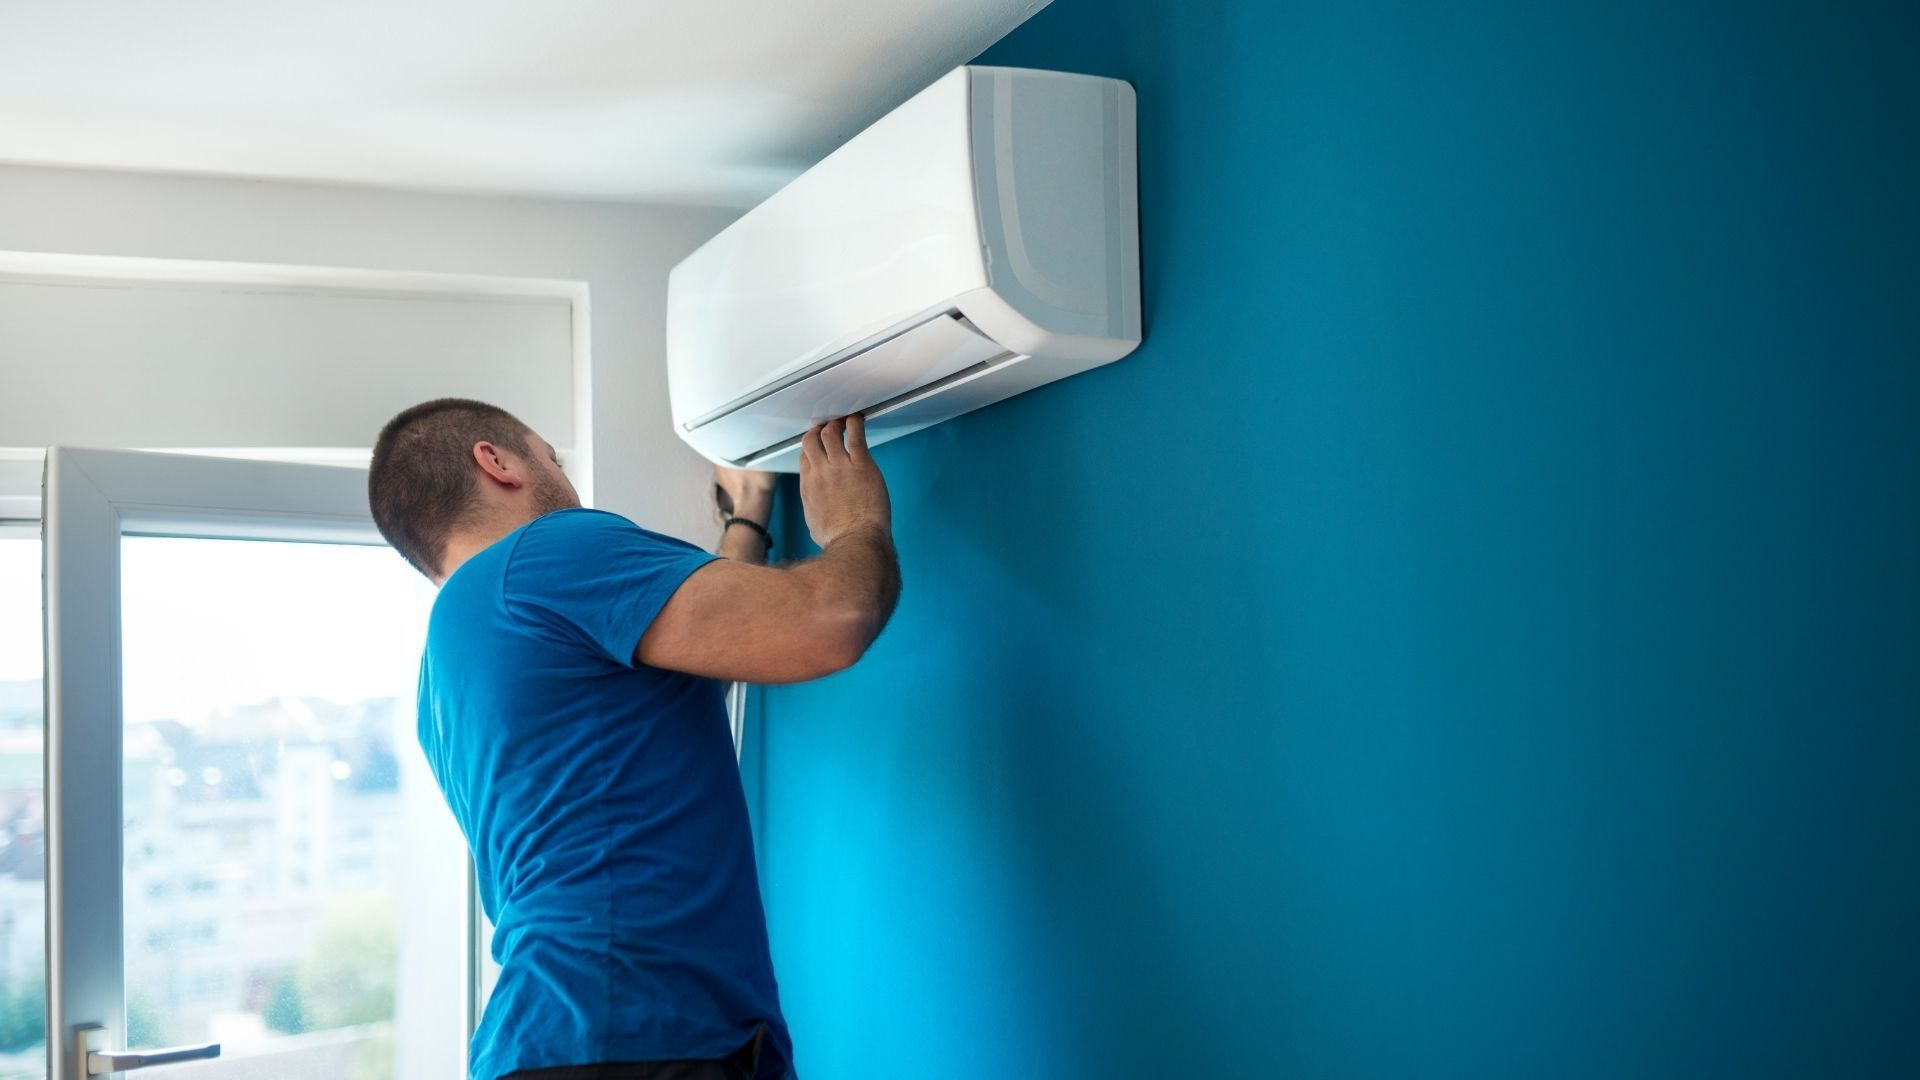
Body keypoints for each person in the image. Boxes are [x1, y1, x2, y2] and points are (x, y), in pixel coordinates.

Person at [366, 397, 900, 1080]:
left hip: (556, 1041)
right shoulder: (545, 553)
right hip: (637, 1032)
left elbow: (698, 660)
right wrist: (856, 520)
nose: (560, 473)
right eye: (548, 455)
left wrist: (746, 520)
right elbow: (836, 617)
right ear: (495, 462)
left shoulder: (446, 670)